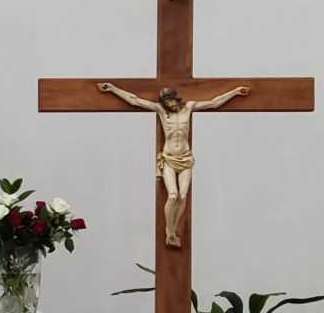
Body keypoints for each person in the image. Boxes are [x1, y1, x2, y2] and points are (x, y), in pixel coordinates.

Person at [98, 81, 251, 246]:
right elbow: (134, 100)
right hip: (169, 158)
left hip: (185, 158)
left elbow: (214, 103)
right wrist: (113, 89)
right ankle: (169, 230)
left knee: (183, 196)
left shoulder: (189, 107)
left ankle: (174, 229)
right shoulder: (161, 111)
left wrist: (235, 92)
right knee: (173, 195)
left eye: (170, 100)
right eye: (165, 102)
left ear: (176, 98)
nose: (169, 104)